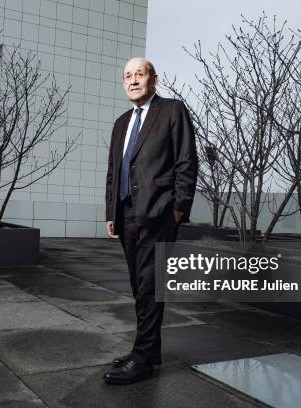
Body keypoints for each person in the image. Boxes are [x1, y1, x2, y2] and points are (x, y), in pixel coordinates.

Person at [104, 57, 198, 384]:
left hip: (159, 213)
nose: (132, 81)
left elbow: (187, 161)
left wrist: (178, 209)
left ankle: (142, 359)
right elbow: (114, 173)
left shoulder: (172, 111)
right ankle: (151, 350)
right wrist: (111, 213)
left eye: (139, 74)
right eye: (127, 76)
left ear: (153, 79)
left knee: (149, 286)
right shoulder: (120, 123)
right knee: (138, 285)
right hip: (127, 213)